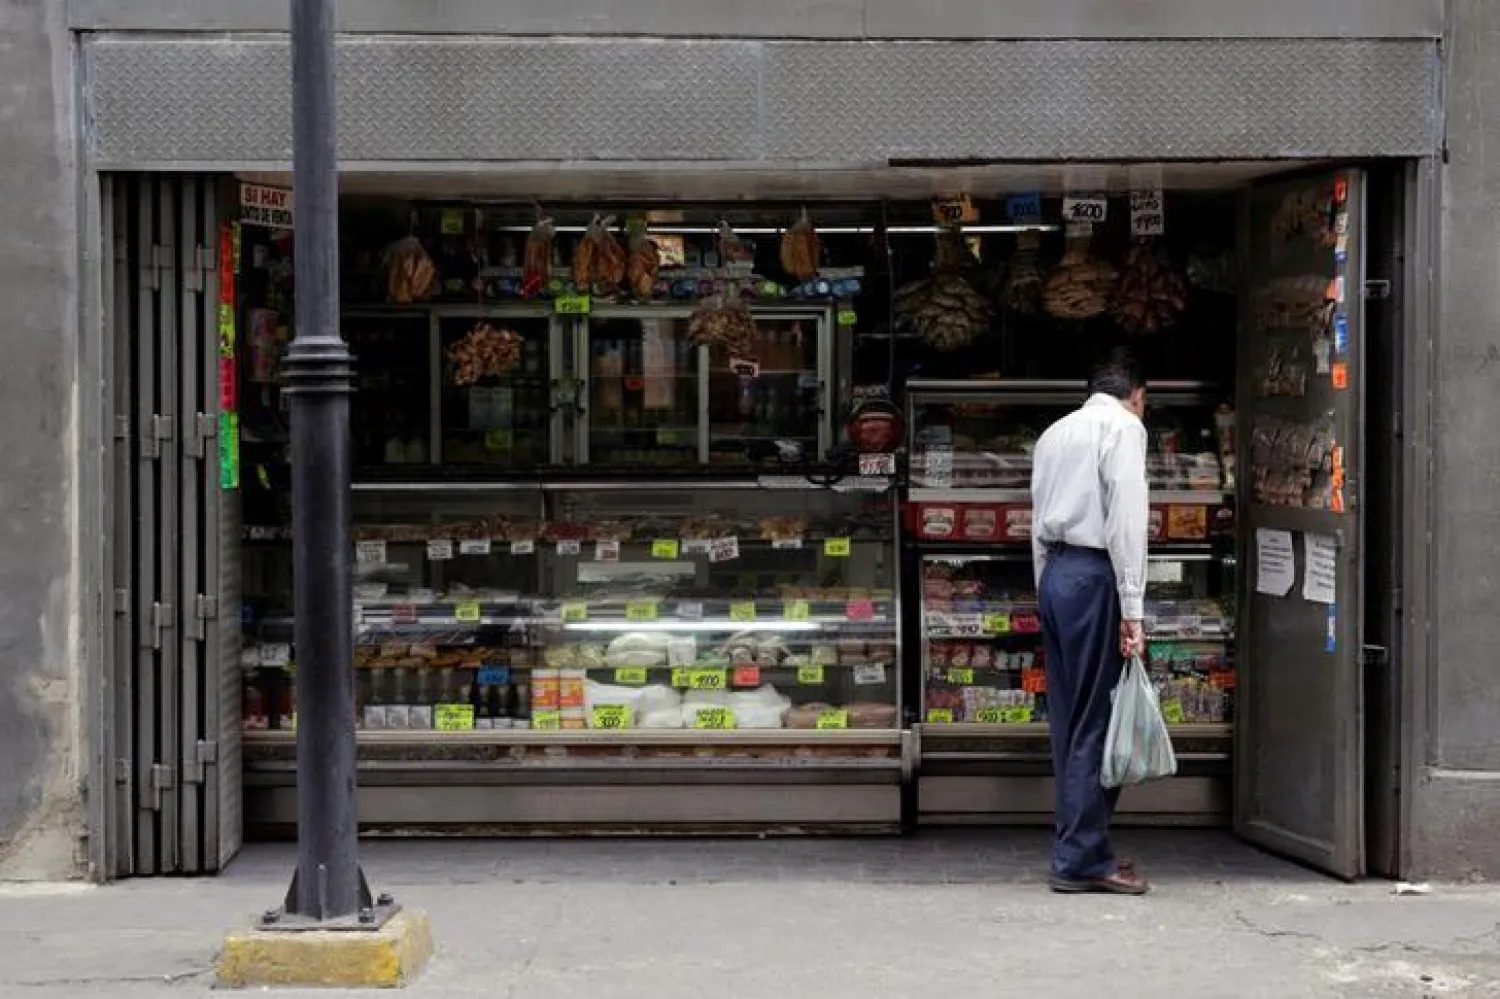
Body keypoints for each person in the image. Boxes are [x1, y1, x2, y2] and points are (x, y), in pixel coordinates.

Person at [1029, 350, 1150, 895]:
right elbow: (1127, 521)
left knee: (1069, 721)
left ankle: (1076, 845)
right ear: (1138, 394)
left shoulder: (1055, 432)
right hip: (1094, 575)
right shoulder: (1123, 428)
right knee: (1097, 721)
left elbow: (1036, 519)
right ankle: (1081, 859)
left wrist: (1044, 588)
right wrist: (1133, 609)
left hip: (1057, 574)